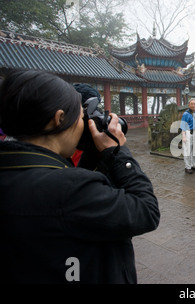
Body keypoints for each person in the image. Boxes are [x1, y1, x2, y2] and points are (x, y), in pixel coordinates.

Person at [0, 70, 160, 283]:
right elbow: (146, 211)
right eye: (81, 115)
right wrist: (118, 152)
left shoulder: (15, 170)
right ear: (59, 119)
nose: (84, 123)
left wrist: (95, 155)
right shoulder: (69, 188)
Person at [181, 99, 195, 173]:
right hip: (188, 133)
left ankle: (194, 165)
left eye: (194, 104)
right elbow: (183, 125)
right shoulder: (185, 114)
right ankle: (187, 167)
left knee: (194, 151)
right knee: (187, 151)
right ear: (189, 105)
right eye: (191, 104)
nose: (193, 105)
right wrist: (184, 136)